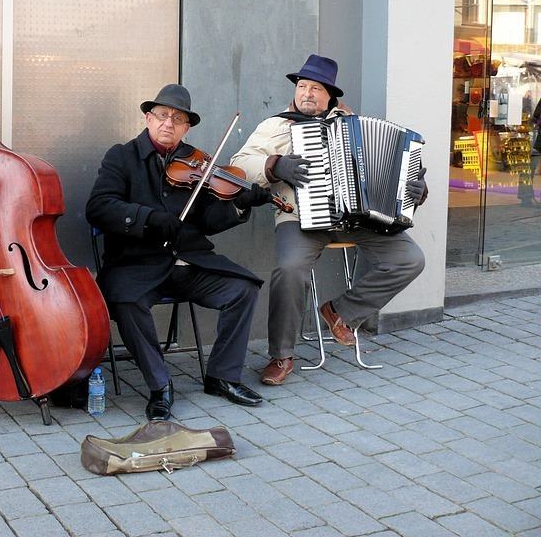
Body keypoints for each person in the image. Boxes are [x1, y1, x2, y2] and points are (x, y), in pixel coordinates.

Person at [230, 54, 427, 386]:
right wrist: (276, 166)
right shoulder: (276, 125)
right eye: (302, 86)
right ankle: (281, 355)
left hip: (358, 219)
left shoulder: (352, 124)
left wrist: (415, 191)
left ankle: (341, 312)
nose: (306, 93)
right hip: (300, 219)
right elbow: (239, 164)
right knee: (290, 269)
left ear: (330, 95)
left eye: (315, 88)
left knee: (410, 259)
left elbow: (393, 170)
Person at [86, 84, 272, 421]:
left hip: (188, 262)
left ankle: (222, 376)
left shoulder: (198, 162)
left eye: (178, 119)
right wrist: (148, 219)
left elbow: (209, 221)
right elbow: (99, 208)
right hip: (136, 264)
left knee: (242, 289)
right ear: (148, 117)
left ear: (186, 127)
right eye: (162, 115)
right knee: (125, 301)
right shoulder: (122, 156)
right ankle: (160, 386)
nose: (168, 123)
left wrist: (240, 205)